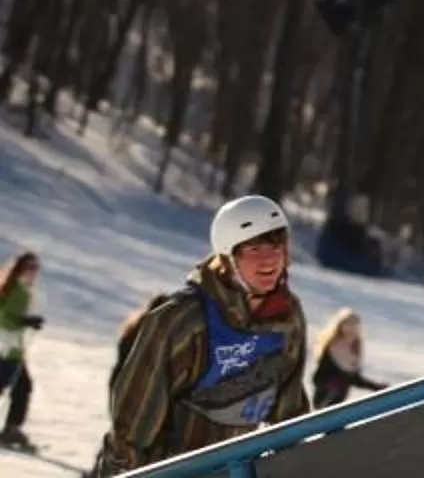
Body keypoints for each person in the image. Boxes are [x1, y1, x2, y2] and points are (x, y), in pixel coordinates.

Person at [91, 196, 309, 477]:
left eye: (276, 246)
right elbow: (134, 419)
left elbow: (289, 412)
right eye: (254, 249)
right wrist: (118, 471)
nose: (269, 259)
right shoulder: (182, 320)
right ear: (228, 257)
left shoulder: (286, 319)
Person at [0, 250, 40, 453]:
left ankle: (11, 428)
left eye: (36, 268)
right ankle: (11, 429)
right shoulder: (14, 290)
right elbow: (5, 318)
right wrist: (25, 321)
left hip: (12, 350)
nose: (34, 272)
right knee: (21, 387)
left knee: (21, 387)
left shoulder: (21, 290)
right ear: (20, 269)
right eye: (30, 268)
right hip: (5, 350)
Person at [308, 309, 387, 409]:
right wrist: (330, 386)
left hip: (338, 400)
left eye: (355, 325)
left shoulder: (354, 349)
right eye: (348, 324)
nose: (351, 328)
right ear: (341, 326)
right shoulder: (332, 346)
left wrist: (376, 387)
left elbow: (353, 378)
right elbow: (319, 376)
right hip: (326, 398)